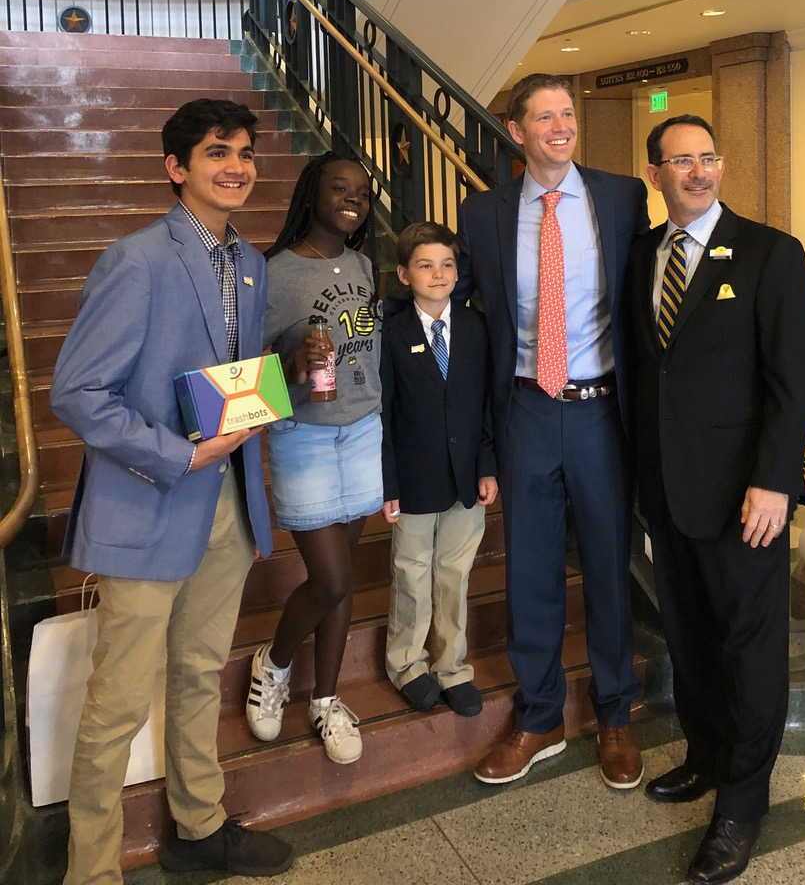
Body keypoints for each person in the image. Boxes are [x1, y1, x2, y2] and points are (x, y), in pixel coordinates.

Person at [50, 98, 294, 882]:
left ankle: (199, 826)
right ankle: (90, 869)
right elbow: (80, 393)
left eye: (247, 153)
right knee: (119, 699)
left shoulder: (249, 264)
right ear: (176, 168)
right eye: (218, 151)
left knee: (198, 675)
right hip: (149, 502)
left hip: (229, 503)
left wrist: (257, 405)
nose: (237, 166)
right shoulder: (138, 259)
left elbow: (226, 378)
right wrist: (177, 456)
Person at [629, 114, 805, 885]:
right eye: (681, 161)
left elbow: (789, 378)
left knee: (747, 647)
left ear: (723, 164)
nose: (697, 172)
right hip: (667, 491)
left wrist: (774, 480)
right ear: (656, 175)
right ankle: (705, 757)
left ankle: (742, 804)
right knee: (692, 636)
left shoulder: (772, 253)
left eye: (708, 158)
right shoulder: (643, 253)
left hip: (747, 497)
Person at [455, 72, 649, 788]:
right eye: (546, 116)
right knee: (530, 569)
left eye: (568, 113)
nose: (562, 126)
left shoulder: (624, 196)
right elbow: (467, 321)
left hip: (603, 410)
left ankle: (616, 714)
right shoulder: (483, 214)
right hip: (527, 409)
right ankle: (538, 715)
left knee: (608, 565)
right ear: (518, 131)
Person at [245, 152, 382, 765]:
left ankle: (325, 699)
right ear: (312, 194)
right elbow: (244, 376)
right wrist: (294, 367)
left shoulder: (365, 264)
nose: (352, 198)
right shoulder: (273, 274)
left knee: (344, 577)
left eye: (361, 191)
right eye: (339, 188)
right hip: (304, 435)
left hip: (363, 431)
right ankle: (273, 664)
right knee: (328, 579)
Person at [379, 221, 498, 716]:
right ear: (405, 274)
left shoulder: (474, 328)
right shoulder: (392, 331)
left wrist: (488, 466)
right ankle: (407, 662)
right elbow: (384, 411)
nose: (438, 273)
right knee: (411, 572)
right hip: (413, 477)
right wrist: (388, 483)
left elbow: (486, 404)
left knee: (455, 573)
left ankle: (451, 665)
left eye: (447, 264)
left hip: (467, 478)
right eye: (425, 265)